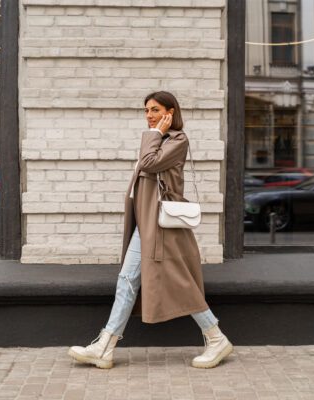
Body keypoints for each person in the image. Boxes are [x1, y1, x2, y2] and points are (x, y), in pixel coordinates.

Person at [68, 91, 233, 369]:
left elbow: (149, 164)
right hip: (146, 222)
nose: (149, 116)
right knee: (128, 279)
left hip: (160, 223)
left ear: (170, 112)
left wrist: (155, 132)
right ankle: (105, 347)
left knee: (179, 281)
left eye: (155, 110)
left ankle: (216, 338)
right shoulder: (158, 140)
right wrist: (155, 135)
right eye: (146, 111)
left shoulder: (177, 140)